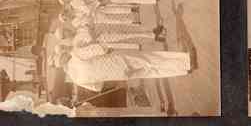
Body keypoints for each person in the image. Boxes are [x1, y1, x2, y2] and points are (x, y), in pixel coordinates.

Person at [55, 47, 191, 92]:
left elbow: (97, 87)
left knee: (152, 73)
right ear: (64, 56)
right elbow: (99, 49)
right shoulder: (76, 56)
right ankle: (185, 62)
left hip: (119, 74)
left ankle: (183, 71)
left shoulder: (77, 79)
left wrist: (104, 74)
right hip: (119, 60)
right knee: (151, 59)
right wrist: (108, 49)